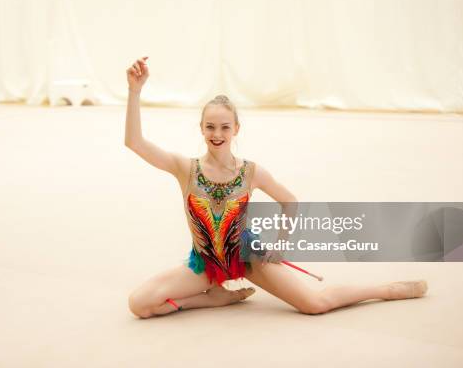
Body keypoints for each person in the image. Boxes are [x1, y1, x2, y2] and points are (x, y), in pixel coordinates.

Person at [125, 56, 428, 319]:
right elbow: (134, 143)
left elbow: (289, 201)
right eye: (210, 127)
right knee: (140, 304)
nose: (217, 134)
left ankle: (385, 290)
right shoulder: (185, 168)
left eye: (224, 127)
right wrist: (134, 91)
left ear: (236, 130)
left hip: (247, 258)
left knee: (315, 304)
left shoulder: (251, 172)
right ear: (201, 129)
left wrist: (281, 245)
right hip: (205, 265)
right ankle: (213, 299)